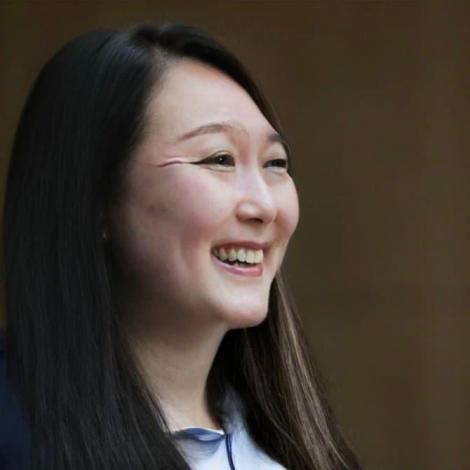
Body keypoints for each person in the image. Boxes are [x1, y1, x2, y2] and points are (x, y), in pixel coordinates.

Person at [0, 23, 361, 470]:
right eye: (219, 159)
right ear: (96, 200)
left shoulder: (298, 443)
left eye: (275, 163)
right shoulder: (17, 435)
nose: (266, 207)